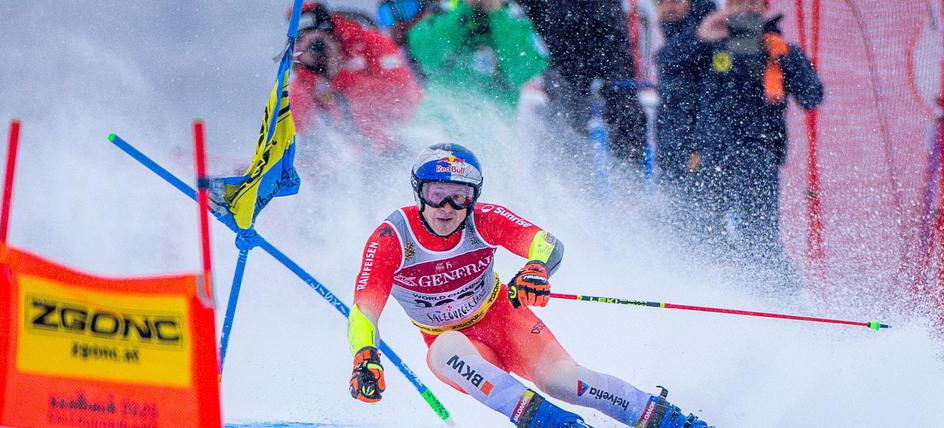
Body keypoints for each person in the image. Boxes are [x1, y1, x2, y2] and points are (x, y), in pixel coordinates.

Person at [347, 143, 712, 427]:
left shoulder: (482, 219)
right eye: (436, 192)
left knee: (564, 381)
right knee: (444, 350)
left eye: (460, 195)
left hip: (506, 321)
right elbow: (364, 312)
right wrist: (365, 355)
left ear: (473, 196)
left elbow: (546, 242)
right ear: (419, 191)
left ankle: (669, 420)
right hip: (458, 347)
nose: (447, 207)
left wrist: (536, 268)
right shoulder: (392, 237)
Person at [683, 0, 823, 280]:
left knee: (758, 234)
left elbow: (812, 96)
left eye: (752, 3)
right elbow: (669, 67)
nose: (745, 9)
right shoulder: (709, 47)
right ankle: (712, 291)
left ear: (765, 7)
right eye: (736, 3)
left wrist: (784, 60)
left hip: (758, 155)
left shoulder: (780, 50)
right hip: (711, 155)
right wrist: (701, 35)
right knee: (702, 229)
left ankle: (781, 296)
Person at [518, 0, 648, 171]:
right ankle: (558, 176)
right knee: (563, 125)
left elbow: (615, 39)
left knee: (625, 116)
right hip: (562, 66)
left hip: (598, 64)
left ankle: (630, 176)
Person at [289, 2, 422, 152]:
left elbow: (404, 93)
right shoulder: (306, 76)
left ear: (330, 32)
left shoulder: (369, 43)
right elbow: (296, 132)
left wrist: (341, 77)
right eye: (301, 41)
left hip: (404, 136)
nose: (315, 50)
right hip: (359, 155)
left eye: (317, 43)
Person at [407, 0, 549, 111]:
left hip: (491, 133)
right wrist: (465, 11)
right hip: (438, 127)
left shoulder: (516, 20)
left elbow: (523, 70)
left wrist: (497, 14)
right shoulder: (442, 12)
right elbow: (429, 56)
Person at [653, 0, 716, 187]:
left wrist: (701, 145)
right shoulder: (676, 38)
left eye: (676, 0)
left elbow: (711, 98)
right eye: (661, 2)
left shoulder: (706, 36)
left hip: (695, 145)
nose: (669, 7)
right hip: (671, 144)